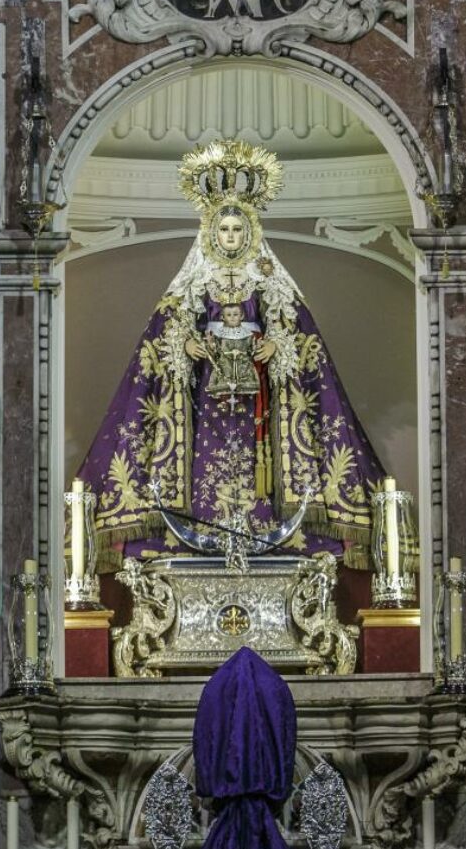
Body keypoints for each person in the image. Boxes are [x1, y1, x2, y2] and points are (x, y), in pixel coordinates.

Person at [77, 139, 386, 569]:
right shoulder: (191, 285)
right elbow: (163, 341)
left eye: (239, 229)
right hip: (207, 401)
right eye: (223, 229)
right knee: (206, 461)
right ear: (209, 231)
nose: (231, 237)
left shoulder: (270, 283)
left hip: (259, 402)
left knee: (260, 463)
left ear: (252, 231)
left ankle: (267, 526)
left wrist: (278, 344)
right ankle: (200, 527)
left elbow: (299, 339)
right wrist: (185, 345)